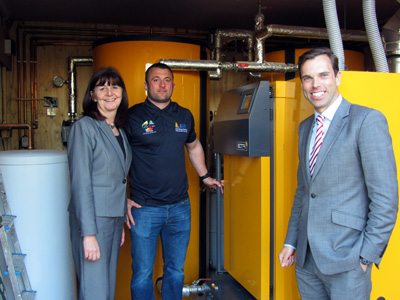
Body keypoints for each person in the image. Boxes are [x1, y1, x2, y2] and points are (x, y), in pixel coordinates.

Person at [278, 48, 398, 299]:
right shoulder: (305, 128)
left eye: (323, 75)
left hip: (348, 260)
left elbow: (386, 198)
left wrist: (365, 257)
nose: (315, 85)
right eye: (307, 78)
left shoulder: (366, 121)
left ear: (338, 77)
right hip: (307, 261)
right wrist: (291, 241)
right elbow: (304, 191)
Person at [125, 62, 223, 300]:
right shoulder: (132, 116)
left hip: (179, 207)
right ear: (146, 85)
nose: (162, 84)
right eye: (156, 79)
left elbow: (194, 146)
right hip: (144, 208)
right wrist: (122, 197)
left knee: (175, 271)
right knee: (141, 273)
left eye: (167, 80)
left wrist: (205, 176)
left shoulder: (184, 115)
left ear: (173, 85)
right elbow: (116, 157)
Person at [67, 67, 132, 300]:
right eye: (102, 87)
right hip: (92, 222)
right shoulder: (84, 128)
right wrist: (89, 234)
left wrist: (119, 219)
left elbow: (116, 178)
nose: (109, 92)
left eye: (115, 86)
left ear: (122, 93)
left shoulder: (117, 130)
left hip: (112, 221)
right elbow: (81, 183)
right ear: (92, 95)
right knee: (95, 290)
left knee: (107, 288)